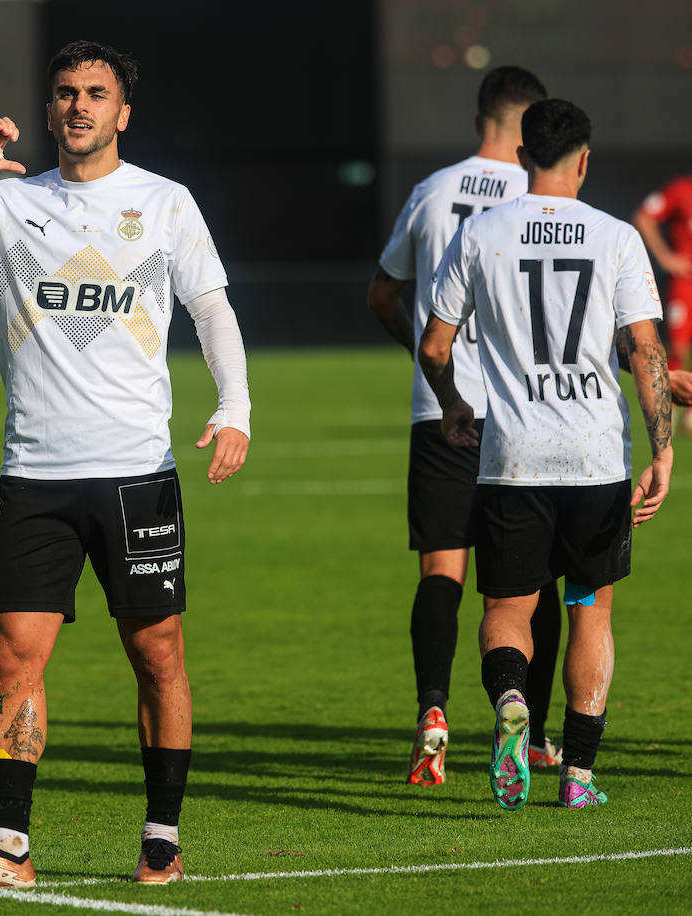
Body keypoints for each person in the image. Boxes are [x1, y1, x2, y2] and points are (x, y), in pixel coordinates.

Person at [0, 40, 250, 891]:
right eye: (65, 93)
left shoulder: (164, 203)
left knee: (157, 653)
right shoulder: (10, 205)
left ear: (124, 112)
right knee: (15, 655)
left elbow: (211, 307)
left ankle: (162, 835)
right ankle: (7, 847)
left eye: (96, 93)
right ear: (48, 111)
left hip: (135, 472)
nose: (79, 105)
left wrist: (233, 407)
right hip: (35, 477)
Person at [419, 98, 672, 810]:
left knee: (507, 608)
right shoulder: (617, 237)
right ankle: (580, 778)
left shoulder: (481, 235)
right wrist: (664, 450)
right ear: (584, 159)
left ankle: (509, 698)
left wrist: (452, 405)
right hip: (596, 461)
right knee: (590, 609)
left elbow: (436, 346)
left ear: (523, 155)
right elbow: (645, 349)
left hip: (513, 459)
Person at [367, 66, 563, 786]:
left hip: (440, 407)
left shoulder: (431, 190)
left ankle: (433, 716)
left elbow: (383, 295)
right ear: (536, 119)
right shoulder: (542, 196)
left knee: (440, 570)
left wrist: (427, 356)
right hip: (525, 411)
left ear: (482, 114)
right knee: (528, 584)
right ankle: (537, 735)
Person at [633, 174, 692, 432]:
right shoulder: (681, 190)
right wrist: (666, 257)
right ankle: (668, 414)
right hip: (684, 283)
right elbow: (644, 217)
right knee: (677, 347)